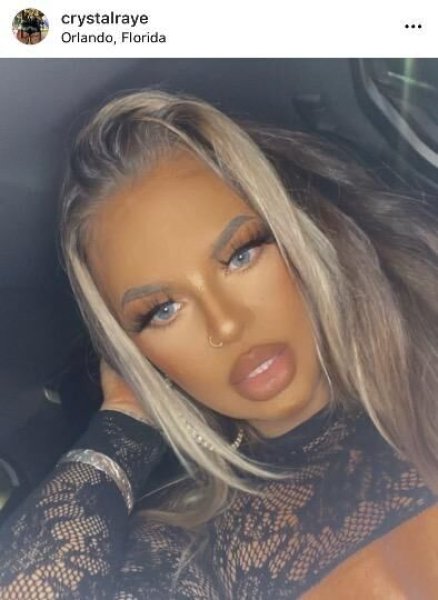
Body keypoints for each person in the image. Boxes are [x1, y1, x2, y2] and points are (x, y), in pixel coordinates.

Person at [0, 89, 437, 599]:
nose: (225, 325)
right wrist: (124, 419)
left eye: (240, 254)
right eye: (162, 311)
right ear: (138, 357)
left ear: (299, 231)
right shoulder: (190, 550)